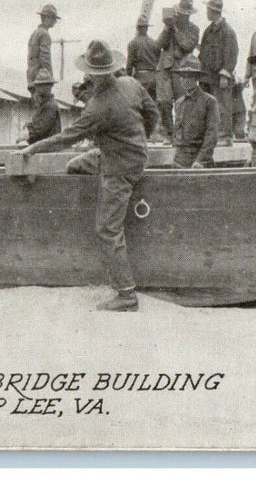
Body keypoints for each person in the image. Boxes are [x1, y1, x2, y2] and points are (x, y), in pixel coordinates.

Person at [19, 40, 159, 312]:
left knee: (107, 229)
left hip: (120, 169)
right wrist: (138, 140)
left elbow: (67, 137)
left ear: (93, 74)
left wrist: (34, 147)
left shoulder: (98, 106)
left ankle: (127, 294)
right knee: (75, 165)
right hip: (131, 155)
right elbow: (152, 113)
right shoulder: (131, 83)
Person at [155, 0, 200, 139]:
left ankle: (182, 134)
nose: (181, 16)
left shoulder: (194, 29)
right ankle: (169, 134)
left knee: (183, 103)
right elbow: (159, 45)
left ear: (189, 15)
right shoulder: (169, 27)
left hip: (183, 69)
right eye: (180, 13)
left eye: (184, 14)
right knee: (164, 101)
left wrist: (175, 29)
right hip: (166, 67)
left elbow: (187, 45)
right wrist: (167, 28)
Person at [198, 0, 238, 144]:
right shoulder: (208, 31)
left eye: (208, 9)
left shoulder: (227, 31)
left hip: (220, 77)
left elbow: (232, 54)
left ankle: (225, 136)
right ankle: (212, 137)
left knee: (223, 106)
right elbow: (203, 53)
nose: (206, 12)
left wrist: (225, 74)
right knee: (208, 108)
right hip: (207, 76)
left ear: (213, 11)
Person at [171, 54, 219, 168]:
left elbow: (212, 134)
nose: (186, 80)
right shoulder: (179, 103)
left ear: (197, 79)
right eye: (183, 76)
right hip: (179, 161)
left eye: (190, 76)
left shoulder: (209, 101)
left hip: (198, 161)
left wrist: (200, 160)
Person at [20, 68, 61, 145]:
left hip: (48, 148)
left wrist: (26, 135)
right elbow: (37, 125)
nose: (37, 88)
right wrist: (28, 125)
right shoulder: (43, 104)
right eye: (37, 85)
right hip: (43, 147)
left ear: (48, 87)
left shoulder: (51, 106)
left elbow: (40, 131)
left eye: (40, 86)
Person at [125, 14, 160, 102]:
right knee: (153, 106)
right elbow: (159, 60)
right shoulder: (154, 43)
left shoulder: (133, 43)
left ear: (137, 28)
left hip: (140, 79)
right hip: (154, 78)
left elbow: (129, 66)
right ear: (147, 28)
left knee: (140, 106)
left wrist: (127, 80)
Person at [27, 4, 59, 85]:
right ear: (46, 18)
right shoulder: (44, 34)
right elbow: (45, 57)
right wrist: (49, 76)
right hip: (41, 78)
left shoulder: (35, 32)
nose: (55, 21)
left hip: (32, 75)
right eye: (53, 18)